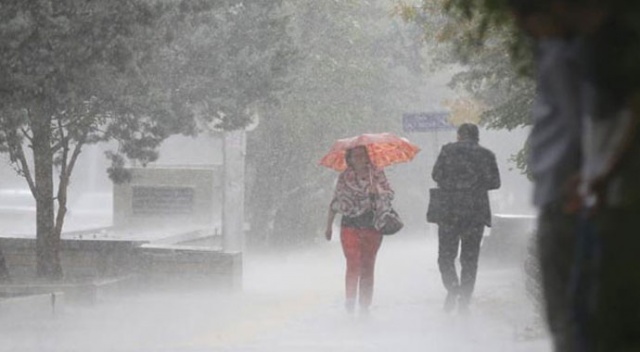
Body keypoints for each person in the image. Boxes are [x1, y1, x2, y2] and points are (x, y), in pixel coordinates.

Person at [430, 123, 500, 314]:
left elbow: (436, 175)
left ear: (459, 135)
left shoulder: (447, 151)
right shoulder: (486, 155)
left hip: (448, 212)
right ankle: (465, 300)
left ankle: (453, 288)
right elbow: (495, 182)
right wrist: (475, 184)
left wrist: (453, 183)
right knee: (470, 259)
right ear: (477, 136)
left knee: (445, 256)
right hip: (475, 213)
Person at [325, 146, 394, 314]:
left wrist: (376, 191)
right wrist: (328, 226)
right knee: (353, 261)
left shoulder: (377, 174)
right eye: (355, 156)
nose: (359, 159)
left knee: (368, 264)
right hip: (350, 224)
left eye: (362, 155)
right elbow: (336, 201)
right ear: (349, 158)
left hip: (372, 225)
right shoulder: (344, 177)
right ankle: (350, 300)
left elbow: (389, 194)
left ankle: (365, 304)